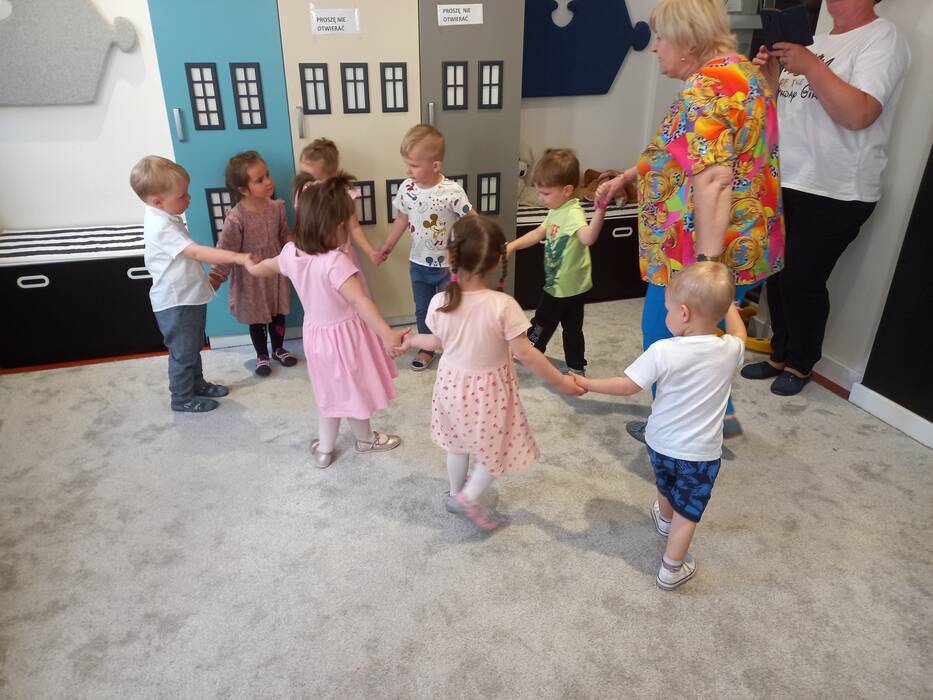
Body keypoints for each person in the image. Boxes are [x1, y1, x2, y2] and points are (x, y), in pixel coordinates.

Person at [596, 0, 784, 439]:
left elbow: (715, 178)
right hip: (743, 237)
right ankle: (721, 415)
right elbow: (683, 149)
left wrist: (705, 266)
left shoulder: (707, 90)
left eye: (661, 38)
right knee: (706, 335)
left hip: (698, 247)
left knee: (665, 335)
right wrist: (628, 176)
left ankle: (677, 431)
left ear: (689, 41)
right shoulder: (742, 74)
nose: (654, 47)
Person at [745, 0, 910, 395]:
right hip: (789, 178)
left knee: (802, 278)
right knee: (777, 274)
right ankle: (780, 353)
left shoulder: (883, 39)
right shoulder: (815, 41)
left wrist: (812, 67)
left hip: (837, 188)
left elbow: (859, 115)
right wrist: (771, 79)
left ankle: (800, 363)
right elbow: (788, 112)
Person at [397, 216, 584, 530]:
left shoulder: (440, 301)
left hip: (451, 389)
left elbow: (438, 342)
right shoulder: (503, 305)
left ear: (450, 256)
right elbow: (526, 354)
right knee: (496, 448)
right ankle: (467, 497)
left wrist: (412, 340)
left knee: (456, 444)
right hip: (489, 393)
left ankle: (455, 492)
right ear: (498, 260)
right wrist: (561, 381)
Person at [572, 263, 746, 589]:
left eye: (668, 309)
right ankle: (671, 568)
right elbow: (740, 334)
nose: (666, 314)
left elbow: (627, 385)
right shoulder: (730, 350)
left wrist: (588, 383)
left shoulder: (663, 351)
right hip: (701, 454)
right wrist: (729, 307)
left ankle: (665, 521)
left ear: (684, 313)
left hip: (660, 443)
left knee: (666, 484)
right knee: (688, 511)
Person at [245, 174, 406, 468]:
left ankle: (325, 449)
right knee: (353, 390)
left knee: (329, 392)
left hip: (316, 338)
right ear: (336, 226)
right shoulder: (336, 262)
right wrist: (386, 333)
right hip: (345, 339)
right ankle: (365, 440)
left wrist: (251, 267)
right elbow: (360, 301)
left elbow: (267, 267)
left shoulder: (292, 253)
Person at [129, 156, 254, 412]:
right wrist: (236, 257)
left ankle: (196, 383)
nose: (189, 199)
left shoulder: (166, 216)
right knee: (183, 352)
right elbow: (195, 252)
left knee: (192, 346)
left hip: (188, 296)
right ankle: (182, 397)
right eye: (182, 195)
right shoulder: (161, 226)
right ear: (158, 201)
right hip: (177, 303)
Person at [380, 124, 473, 372]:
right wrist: (387, 246)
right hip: (418, 264)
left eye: (413, 165)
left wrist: (476, 250)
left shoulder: (452, 191)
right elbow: (401, 219)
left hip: (448, 267)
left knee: (452, 309)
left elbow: (472, 220)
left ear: (435, 165)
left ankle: (455, 347)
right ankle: (426, 347)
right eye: (406, 163)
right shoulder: (407, 189)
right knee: (423, 309)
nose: (407, 170)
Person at [505, 148, 606, 376]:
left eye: (545, 193)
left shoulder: (572, 213)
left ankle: (532, 350)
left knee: (543, 321)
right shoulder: (556, 210)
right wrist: (512, 245)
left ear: (566, 190)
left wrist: (600, 210)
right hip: (570, 284)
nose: (540, 198)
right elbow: (538, 233)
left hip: (563, 286)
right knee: (571, 327)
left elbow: (588, 238)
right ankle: (576, 366)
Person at [208, 151, 296, 377]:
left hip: (275, 271)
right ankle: (261, 354)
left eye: (268, 175)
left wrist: (294, 247)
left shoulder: (277, 207)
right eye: (260, 180)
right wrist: (216, 276)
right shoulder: (236, 217)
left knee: (278, 312)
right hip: (251, 276)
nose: (268, 181)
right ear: (244, 190)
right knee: (256, 318)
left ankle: (278, 348)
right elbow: (226, 249)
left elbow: (283, 234)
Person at [293, 137, 383, 268]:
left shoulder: (343, 195)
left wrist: (370, 251)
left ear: (332, 176)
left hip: (340, 257)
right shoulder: (302, 192)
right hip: (312, 256)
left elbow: (354, 228)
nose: (308, 184)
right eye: (303, 177)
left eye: (314, 179)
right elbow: (301, 225)